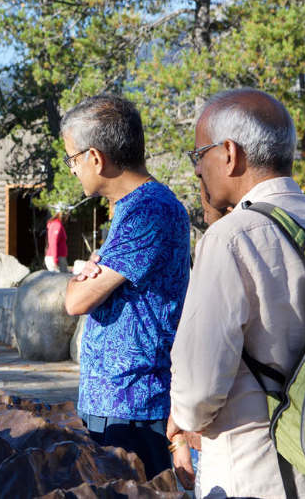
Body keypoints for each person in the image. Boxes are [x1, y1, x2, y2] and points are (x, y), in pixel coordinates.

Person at [168, 88, 305, 498]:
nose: (197, 170)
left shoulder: (231, 239)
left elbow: (198, 390)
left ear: (229, 153)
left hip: (257, 472)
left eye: (199, 156)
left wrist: (181, 418)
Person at [61, 95, 191, 481]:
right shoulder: (133, 207)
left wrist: (76, 280)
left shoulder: (149, 210)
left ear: (96, 158)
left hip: (134, 402)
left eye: (72, 158)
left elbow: (77, 300)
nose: (72, 170)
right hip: (117, 398)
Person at [45, 208, 69, 272]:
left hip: (59, 257)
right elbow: (53, 242)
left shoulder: (57, 224)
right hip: (56, 257)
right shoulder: (57, 225)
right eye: (68, 214)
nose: (68, 216)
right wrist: (55, 260)